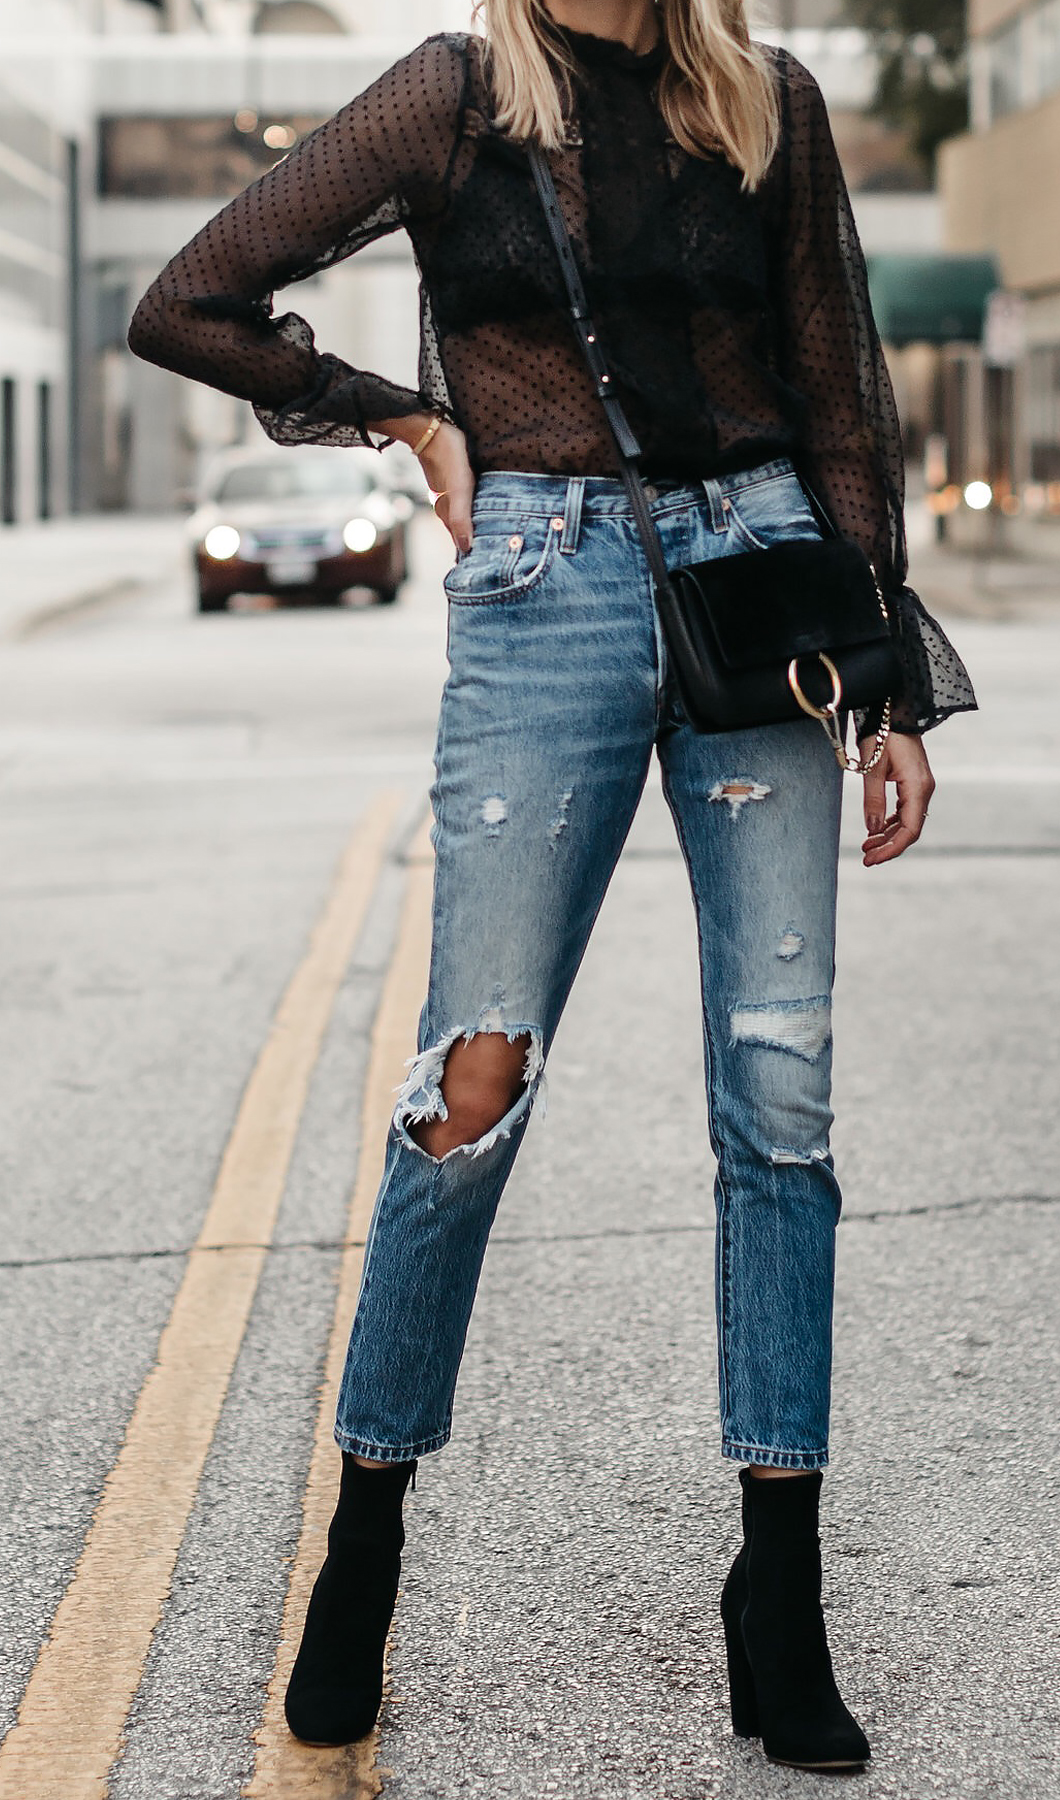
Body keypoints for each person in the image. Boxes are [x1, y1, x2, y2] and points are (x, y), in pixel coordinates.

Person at [129, 0, 975, 1771]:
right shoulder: (453, 95)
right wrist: (406, 421)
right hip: (544, 595)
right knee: (471, 1085)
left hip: (766, 595)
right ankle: (363, 1548)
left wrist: (886, 675)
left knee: (782, 1096)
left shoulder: (769, 102)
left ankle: (780, 1588)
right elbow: (187, 299)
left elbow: (839, 388)